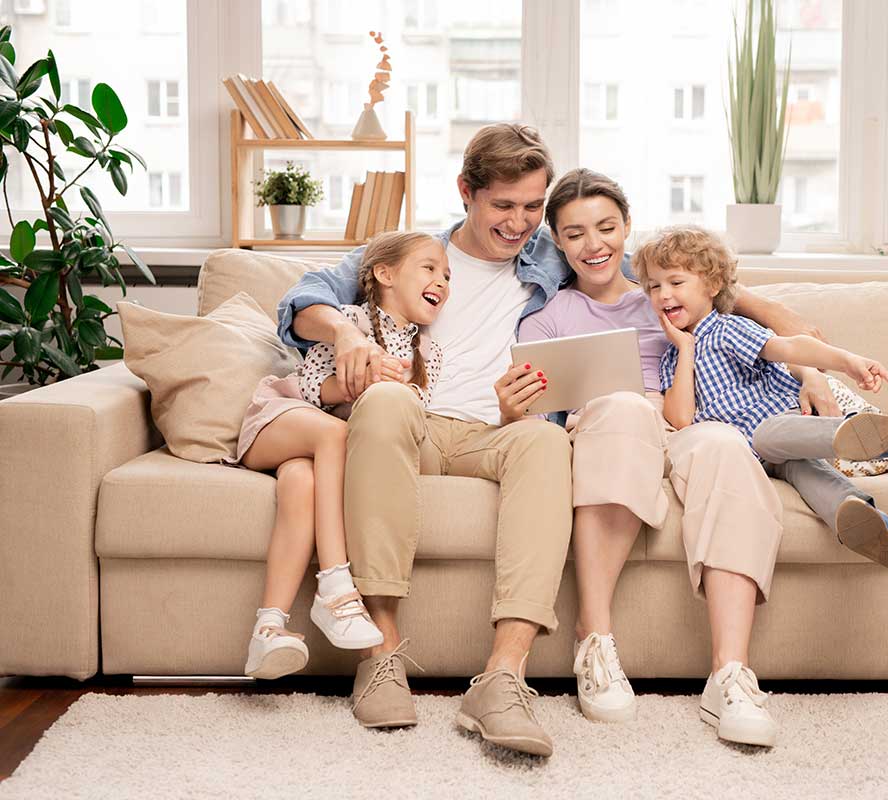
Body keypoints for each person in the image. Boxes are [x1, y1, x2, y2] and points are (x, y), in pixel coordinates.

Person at [276, 124, 832, 757]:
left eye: (532, 207)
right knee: (385, 400)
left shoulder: (557, 255)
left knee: (547, 444)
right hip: (416, 418)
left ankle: (504, 676)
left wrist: (809, 367)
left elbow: (718, 291)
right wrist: (348, 338)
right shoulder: (416, 252)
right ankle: (381, 655)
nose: (519, 224)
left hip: (502, 430)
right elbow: (306, 296)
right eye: (503, 206)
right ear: (466, 192)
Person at [518, 169, 841, 747]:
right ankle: (594, 642)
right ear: (558, 244)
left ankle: (731, 675)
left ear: (627, 229)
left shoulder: (670, 289)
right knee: (623, 406)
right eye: (574, 234)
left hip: (690, 421)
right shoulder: (551, 316)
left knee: (724, 443)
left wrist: (812, 372)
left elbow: (774, 331)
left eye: (607, 227)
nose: (593, 244)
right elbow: (539, 406)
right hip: (613, 425)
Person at [639, 225, 888, 572]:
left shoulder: (727, 329)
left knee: (769, 437)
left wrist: (847, 361)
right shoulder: (672, 358)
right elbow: (681, 419)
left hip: (776, 424)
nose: (663, 294)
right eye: (654, 286)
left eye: (675, 282)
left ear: (712, 286)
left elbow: (789, 347)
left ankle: (848, 433)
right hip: (757, 456)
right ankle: (871, 523)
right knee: (807, 474)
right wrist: (685, 349)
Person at [236, 231, 449, 682]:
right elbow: (313, 388)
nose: (442, 282)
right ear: (384, 273)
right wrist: (360, 378)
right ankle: (335, 588)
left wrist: (392, 390)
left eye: (447, 276)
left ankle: (267, 630)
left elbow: (407, 421)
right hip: (283, 419)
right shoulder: (348, 320)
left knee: (301, 484)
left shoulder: (427, 351)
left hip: (317, 453)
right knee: (332, 433)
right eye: (430, 268)